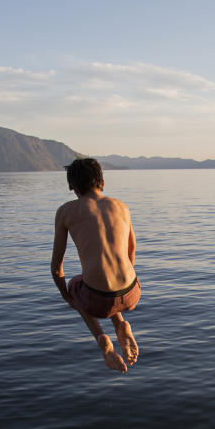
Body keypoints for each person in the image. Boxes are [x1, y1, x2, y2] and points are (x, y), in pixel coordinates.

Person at [51, 158, 140, 372]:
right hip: (132, 292)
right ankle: (121, 324)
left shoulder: (66, 211)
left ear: (72, 186)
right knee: (104, 288)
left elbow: (56, 267)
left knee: (75, 284)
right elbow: (131, 251)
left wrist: (69, 299)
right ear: (102, 181)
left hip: (97, 302)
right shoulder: (121, 206)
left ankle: (103, 340)